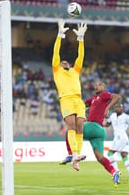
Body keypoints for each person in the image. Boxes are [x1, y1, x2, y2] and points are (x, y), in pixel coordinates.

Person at [60, 81, 121, 187]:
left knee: (71, 130)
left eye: (100, 85)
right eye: (96, 85)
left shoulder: (104, 95)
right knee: (100, 157)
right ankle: (114, 173)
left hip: (94, 126)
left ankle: (71, 155)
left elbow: (117, 97)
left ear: (104, 88)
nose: (96, 86)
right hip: (99, 132)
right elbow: (82, 105)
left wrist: (107, 108)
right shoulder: (93, 99)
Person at [52, 19, 87, 171]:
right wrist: (60, 35)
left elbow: (81, 57)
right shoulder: (56, 70)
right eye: (62, 62)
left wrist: (81, 39)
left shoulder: (75, 71)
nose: (65, 62)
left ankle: (77, 156)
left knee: (80, 127)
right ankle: (74, 154)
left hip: (78, 100)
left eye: (67, 62)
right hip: (66, 99)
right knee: (71, 125)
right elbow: (56, 52)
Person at [105, 103, 129, 183]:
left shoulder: (126, 117)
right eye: (116, 107)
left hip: (122, 137)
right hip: (116, 138)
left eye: (119, 107)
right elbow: (108, 124)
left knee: (110, 154)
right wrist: (102, 123)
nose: (117, 108)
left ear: (122, 108)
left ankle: (116, 173)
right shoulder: (112, 116)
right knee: (123, 154)